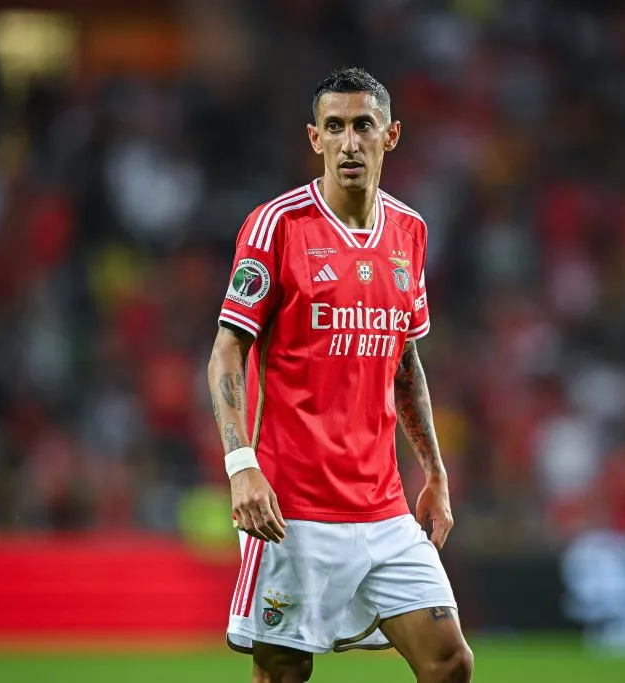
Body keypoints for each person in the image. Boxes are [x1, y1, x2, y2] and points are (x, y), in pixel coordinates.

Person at [207, 67, 473, 683]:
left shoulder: (410, 232)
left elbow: (405, 362)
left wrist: (434, 472)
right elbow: (226, 352)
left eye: (362, 126)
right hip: (292, 511)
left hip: (383, 510)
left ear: (391, 135)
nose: (349, 141)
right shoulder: (278, 226)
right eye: (334, 128)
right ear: (314, 138)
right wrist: (240, 464)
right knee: (283, 677)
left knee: (450, 662)